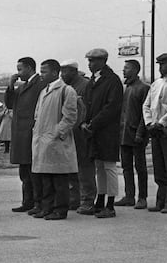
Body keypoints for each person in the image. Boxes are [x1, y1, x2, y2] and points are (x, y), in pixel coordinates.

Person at [77, 48, 123, 218]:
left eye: (94, 60)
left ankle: (110, 204)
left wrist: (93, 123)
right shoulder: (92, 81)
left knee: (109, 166)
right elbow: (87, 105)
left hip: (107, 131)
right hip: (94, 131)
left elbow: (111, 107)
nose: (90, 64)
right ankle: (100, 199)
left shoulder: (112, 81)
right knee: (99, 167)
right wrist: (84, 122)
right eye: (89, 61)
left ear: (104, 60)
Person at [31, 59, 78, 220]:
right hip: (42, 140)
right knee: (46, 178)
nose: (41, 74)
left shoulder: (66, 90)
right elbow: (37, 115)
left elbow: (70, 117)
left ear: (54, 72)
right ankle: (47, 207)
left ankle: (60, 209)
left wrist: (56, 133)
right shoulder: (44, 91)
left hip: (56, 141)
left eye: (44, 71)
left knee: (59, 178)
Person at [5, 57, 47, 213]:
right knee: (25, 171)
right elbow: (10, 103)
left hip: (31, 132)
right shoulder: (23, 86)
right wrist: (10, 86)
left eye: (20, 69)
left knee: (33, 170)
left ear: (29, 68)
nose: (18, 73)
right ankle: (27, 201)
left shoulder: (40, 84)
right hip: (21, 133)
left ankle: (38, 202)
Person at [143, 53, 167, 213]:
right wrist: (150, 123)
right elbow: (146, 105)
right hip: (156, 131)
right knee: (159, 169)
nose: (160, 67)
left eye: (163, 63)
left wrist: (162, 123)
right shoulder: (156, 83)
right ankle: (160, 201)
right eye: (159, 63)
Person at [115, 59, 150, 209]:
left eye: (127, 68)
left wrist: (140, 133)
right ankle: (129, 196)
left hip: (137, 134)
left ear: (136, 70)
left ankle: (142, 197)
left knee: (140, 167)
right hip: (124, 134)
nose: (124, 71)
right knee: (126, 167)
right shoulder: (125, 88)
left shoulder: (143, 88)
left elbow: (145, 113)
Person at [60, 59, 92, 211]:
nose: (62, 74)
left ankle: (87, 199)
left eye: (65, 71)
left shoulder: (85, 86)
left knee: (83, 167)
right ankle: (74, 198)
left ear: (73, 71)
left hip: (81, 132)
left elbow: (86, 109)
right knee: (71, 166)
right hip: (69, 132)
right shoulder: (65, 87)